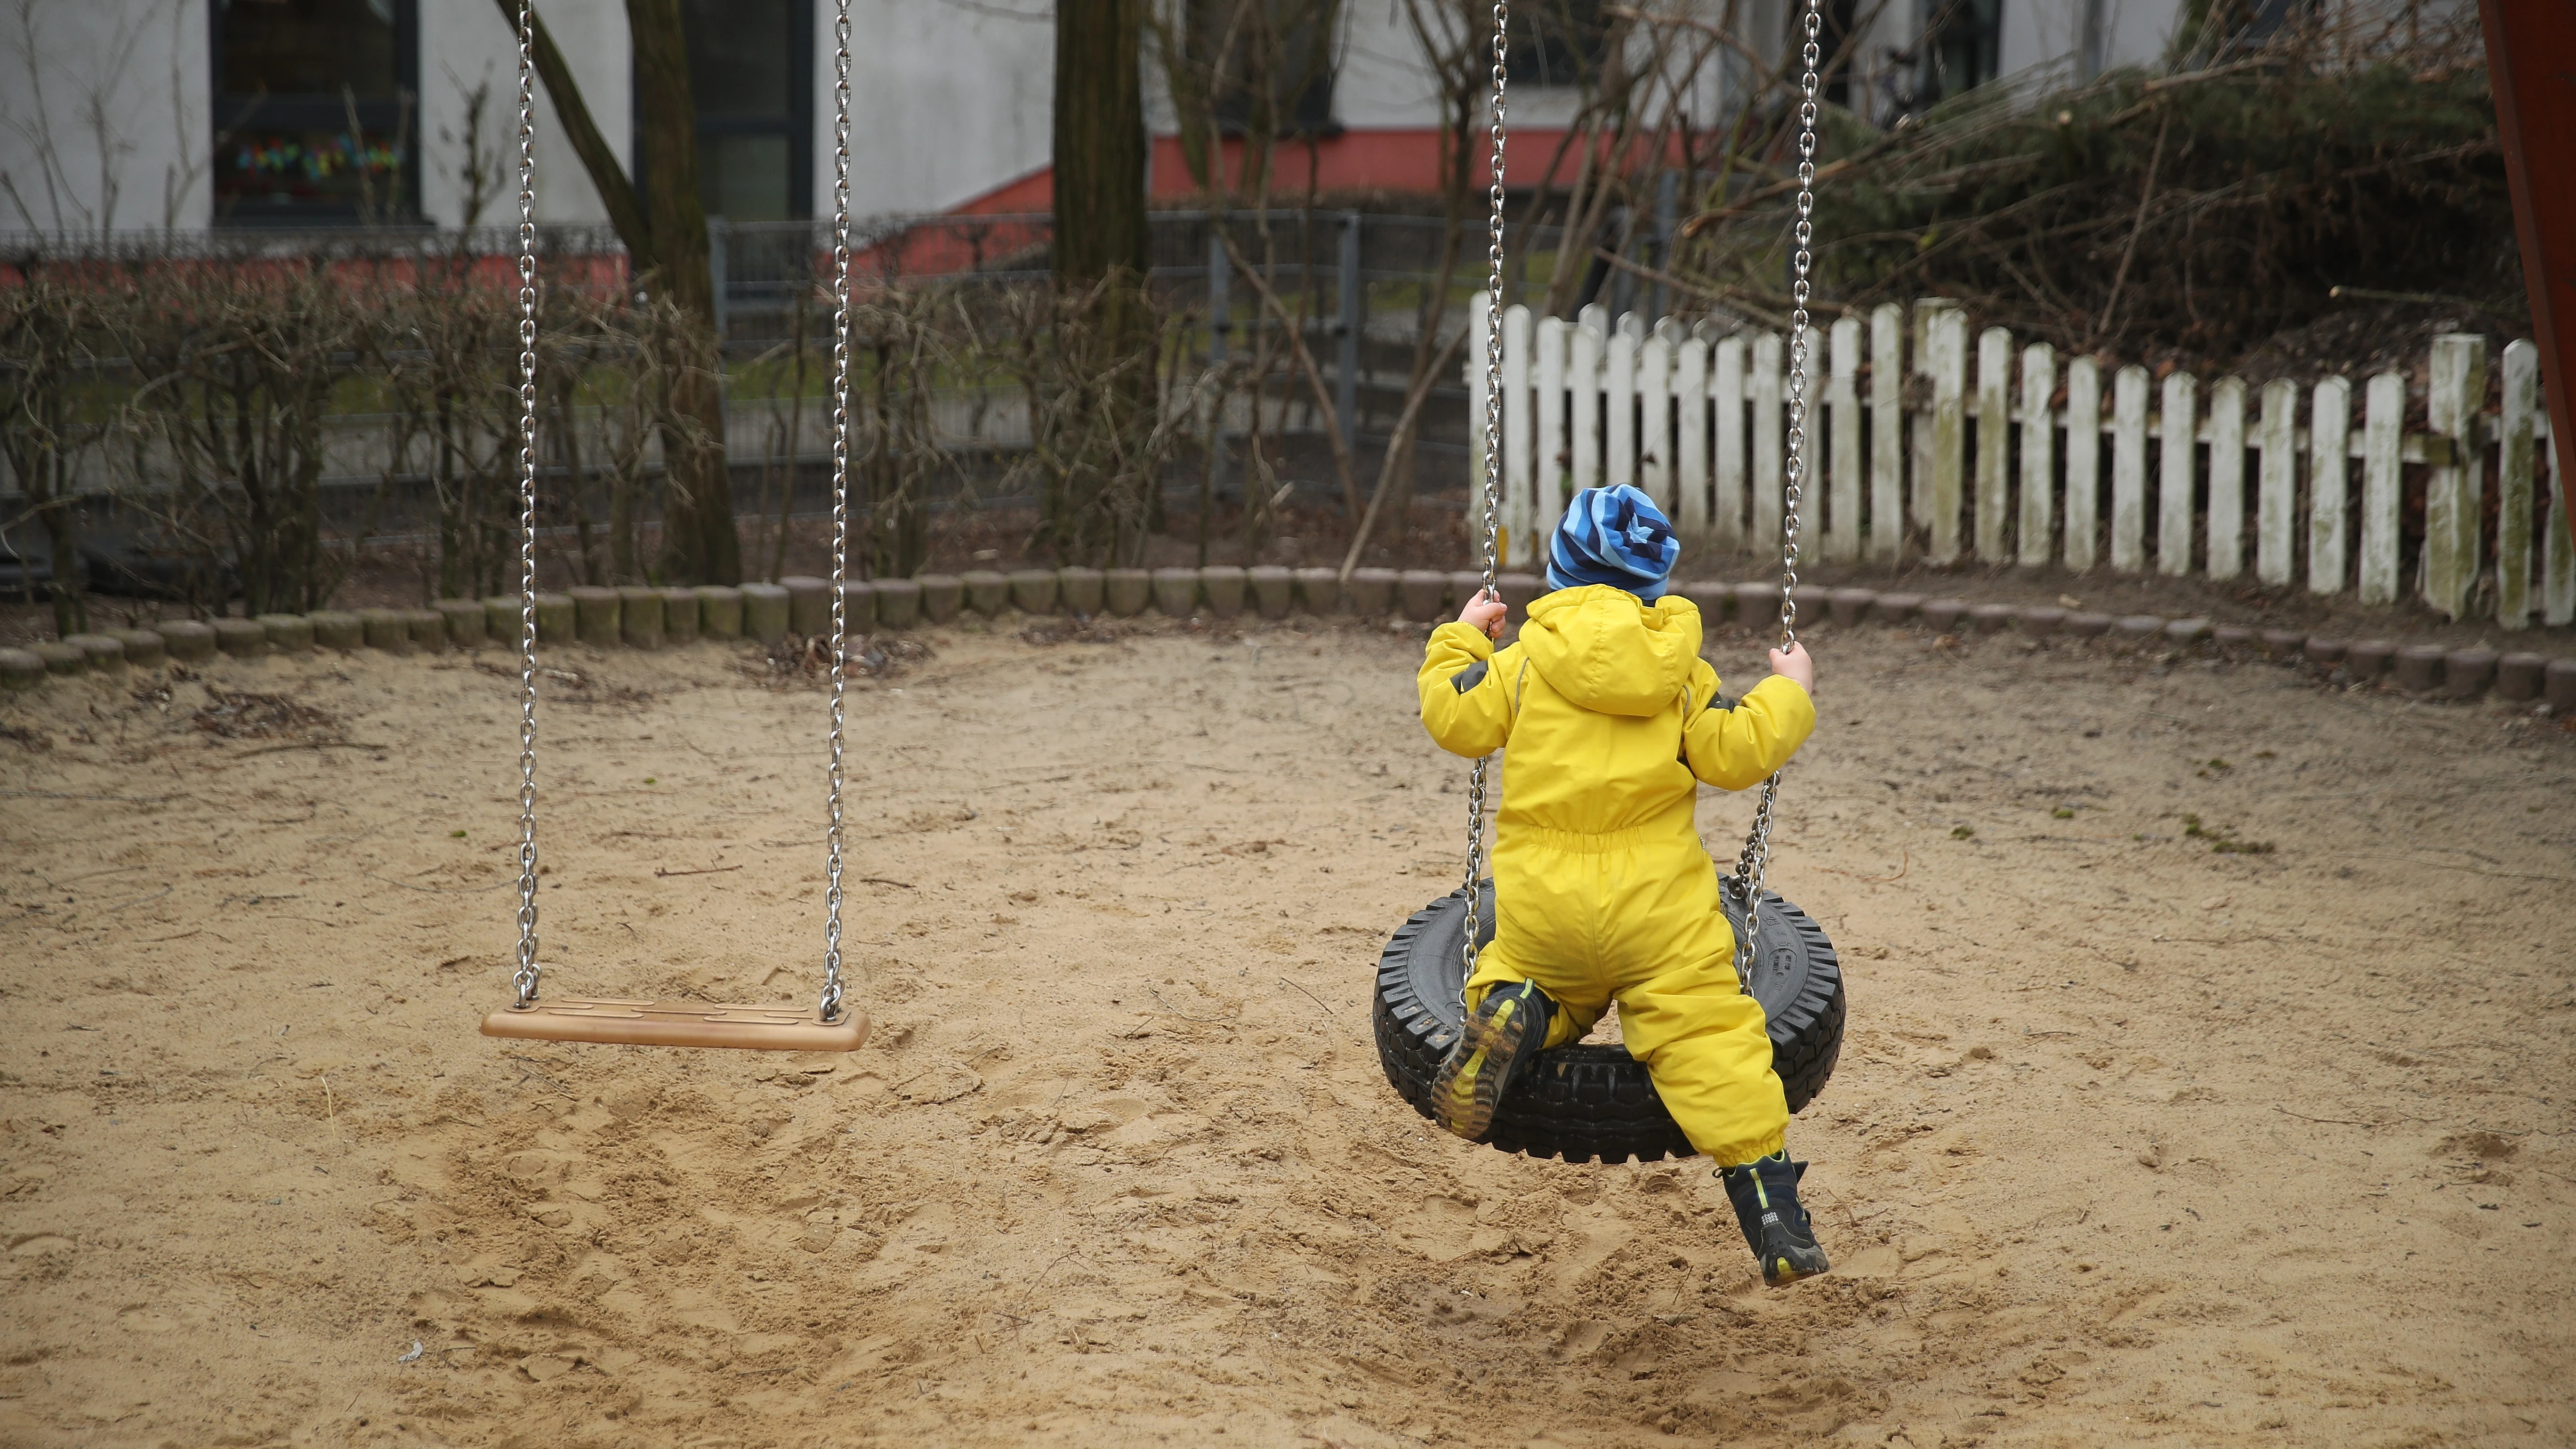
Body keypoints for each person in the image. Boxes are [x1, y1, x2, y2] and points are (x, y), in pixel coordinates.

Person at [1414, 483, 1827, 1285]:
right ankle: (1773, 1211)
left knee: (1534, 982)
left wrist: (1461, 641)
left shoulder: (1526, 661)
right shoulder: (1680, 674)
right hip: (1660, 919)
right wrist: (1791, 690)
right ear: (1655, 589)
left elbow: (1451, 716)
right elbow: (1738, 752)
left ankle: (1514, 1010)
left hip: (1545, 908)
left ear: (1559, 575)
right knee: (1710, 1040)